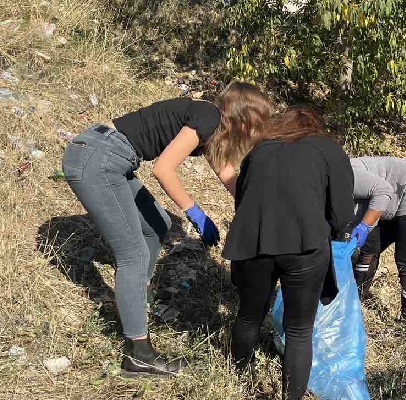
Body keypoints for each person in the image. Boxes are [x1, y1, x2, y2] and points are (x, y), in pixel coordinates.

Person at [63, 83, 273, 377]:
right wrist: (194, 211)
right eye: (258, 123)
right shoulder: (209, 115)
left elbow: (228, 176)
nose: (257, 132)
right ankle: (140, 356)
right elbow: (163, 168)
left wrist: (258, 210)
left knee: (156, 226)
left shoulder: (212, 126)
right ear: (245, 116)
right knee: (132, 255)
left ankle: (136, 297)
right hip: (99, 158)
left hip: (106, 155)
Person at [222, 107, 354, 400]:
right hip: (305, 245)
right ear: (315, 128)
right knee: (298, 331)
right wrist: (330, 230)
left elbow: (243, 199)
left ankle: (236, 378)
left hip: (253, 241)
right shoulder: (328, 149)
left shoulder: (259, 150)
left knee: (249, 315)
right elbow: (342, 214)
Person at [349, 157, 406, 323]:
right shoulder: (326, 184)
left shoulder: (348, 176)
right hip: (386, 200)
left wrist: (363, 227)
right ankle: (354, 303)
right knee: (368, 250)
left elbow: (383, 191)